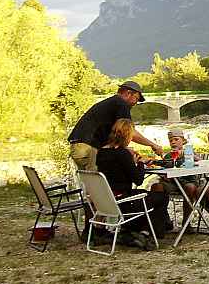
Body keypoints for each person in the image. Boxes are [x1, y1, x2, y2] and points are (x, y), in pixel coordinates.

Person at [95, 119, 171, 250]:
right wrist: (139, 162)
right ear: (127, 135)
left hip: (106, 200)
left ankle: (135, 229)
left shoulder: (101, 152)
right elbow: (138, 180)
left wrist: (131, 161)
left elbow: (117, 171)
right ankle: (147, 232)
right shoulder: (122, 154)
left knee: (147, 195)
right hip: (123, 202)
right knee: (161, 196)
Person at [68, 80, 162, 172]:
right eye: (136, 99)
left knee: (89, 182)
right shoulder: (121, 104)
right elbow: (129, 132)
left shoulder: (111, 102)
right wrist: (153, 145)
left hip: (78, 147)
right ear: (128, 93)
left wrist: (125, 149)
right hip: (88, 147)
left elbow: (117, 133)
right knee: (98, 182)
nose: (135, 103)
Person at [151, 129, 200, 229]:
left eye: (176, 139)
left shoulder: (188, 151)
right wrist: (154, 163)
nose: (173, 142)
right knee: (156, 186)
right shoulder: (169, 155)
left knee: (190, 188)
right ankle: (164, 219)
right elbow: (164, 169)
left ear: (183, 141)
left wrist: (187, 155)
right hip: (173, 183)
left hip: (188, 181)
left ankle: (186, 223)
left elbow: (197, 161)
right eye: (171, 140)